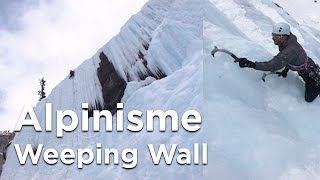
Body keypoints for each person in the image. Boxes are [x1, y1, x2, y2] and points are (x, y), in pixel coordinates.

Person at [237, 22, 320, 102]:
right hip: (307, 65)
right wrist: (286, 68)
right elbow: (290, 58)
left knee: (308, 98)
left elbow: (273, 65)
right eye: (273, 35)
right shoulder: (288, 41)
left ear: (284, 36)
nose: (273, 38)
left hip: (310, 76)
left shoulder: (289, 50)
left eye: (277, 36)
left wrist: (250, 64)